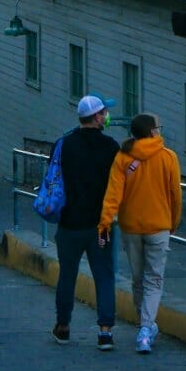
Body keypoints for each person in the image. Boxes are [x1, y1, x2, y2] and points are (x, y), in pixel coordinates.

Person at [98, 113, 182, 354]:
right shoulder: (168, 157)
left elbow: (113, 194)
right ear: (152, 131)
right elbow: (175, 195)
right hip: (159, 226)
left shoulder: (123, 157)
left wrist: (104, 224)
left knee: (138, 279)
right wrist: (172, 223)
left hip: (131, 227)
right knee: (154, 279)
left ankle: (145, 324)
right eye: (159, 127)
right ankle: (146, 329)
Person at [50, 94, 119, 350]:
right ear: (97, 117)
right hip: (100, 224)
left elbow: (54, 177)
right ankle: (105, 332)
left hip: (69, 222)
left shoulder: (64, 144)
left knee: (67, 275)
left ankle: (63, 326)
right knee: (104, 276)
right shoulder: (111, 147)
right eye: (104, 112)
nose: (106, 116)